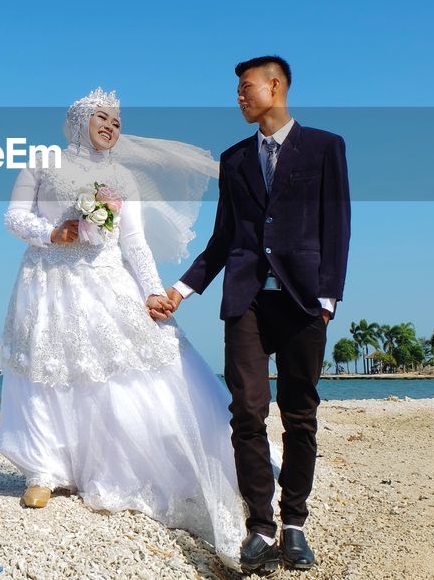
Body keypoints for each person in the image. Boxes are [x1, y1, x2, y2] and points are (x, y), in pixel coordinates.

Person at [0, 87, 244, 565]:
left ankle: (111, 466)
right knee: (48, 369)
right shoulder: (41, 161)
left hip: (107, 278)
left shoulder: (121, 175)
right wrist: (52, 233)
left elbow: (135, 243)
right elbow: (12, 216)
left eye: (117, 121)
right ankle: (44, 470)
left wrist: (152, 289)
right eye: (102, 118)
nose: (111, 127)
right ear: (79, 121)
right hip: (49, 276)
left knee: (117, 370)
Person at [161, 55, 351, 574]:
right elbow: (224, 240)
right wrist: (180, 290)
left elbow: (337, 225)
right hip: (245, 300)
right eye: (237, 90)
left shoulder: (325, 147)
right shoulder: (235, 159)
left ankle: (294, 525)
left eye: (246, 88)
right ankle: (259, 527)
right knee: (246, 411)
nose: (239, 97)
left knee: (299, 414)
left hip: (303, 300)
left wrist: (328, 298)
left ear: (275, 86)